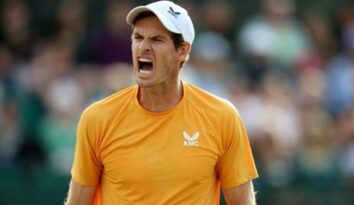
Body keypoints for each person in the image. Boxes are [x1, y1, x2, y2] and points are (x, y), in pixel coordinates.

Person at [64, 1, 258, 204]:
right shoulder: (97, 117)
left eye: (157, 40)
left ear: (182, 51)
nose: (143, 47)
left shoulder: (222, 116)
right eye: (138, 37)